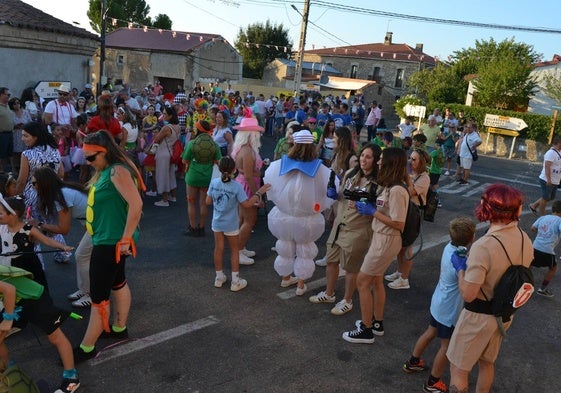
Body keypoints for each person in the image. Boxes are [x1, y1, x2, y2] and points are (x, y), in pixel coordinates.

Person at [446, 183, 533, 393]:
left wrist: (460, 270)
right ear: (518, 210)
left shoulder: (483, 246)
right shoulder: (525, 239)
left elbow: (468, 294)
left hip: (478, 316)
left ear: (486, 208)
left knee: (459, 368)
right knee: (487, 363)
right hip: (503, 316)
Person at [73, 130, 143, 363]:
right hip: (106, 240)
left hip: (110, 244)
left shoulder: (116, 170)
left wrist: (125, 240)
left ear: (105, 152)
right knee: (118, 282)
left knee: (98, 297)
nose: (88, 162)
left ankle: (87, 346)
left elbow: (136, 205)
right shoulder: (107, 170)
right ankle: (119, 327)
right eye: (86, 157)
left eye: (92, 157)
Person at [0, 196, 80, 393]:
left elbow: (46, 241)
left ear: (14, 214)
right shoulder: (1, 228)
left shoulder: (27, 229)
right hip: (12, 285)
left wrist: (62, 247)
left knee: (54, 336)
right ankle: (8, 371)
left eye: (1, 213)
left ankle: (71, 377)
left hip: (29, 285)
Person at [342, 147, 408, 343]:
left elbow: (399, 223)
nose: (378, 163)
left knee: (362, 282)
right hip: (382, 238)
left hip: (386, 240)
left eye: (381, 160)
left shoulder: (396, 190)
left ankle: (366, 329)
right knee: (376, 281)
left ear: (390, 163)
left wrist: (372, 212)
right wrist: (367, 208)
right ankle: (376, 323)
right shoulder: (390, 186)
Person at [402, 217, 476, 393]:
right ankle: (433, 381)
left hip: (438, 303)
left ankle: (413, 361)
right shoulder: (460, 264)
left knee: (430, 332)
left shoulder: (448, 248)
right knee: (446, 346)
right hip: (449, 311)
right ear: (471, 238)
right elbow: (465, 285)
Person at [309, 143, 381, 314]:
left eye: (368, 157)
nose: (363, 160)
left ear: (376, 160)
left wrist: (372, 209)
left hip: (358, 229)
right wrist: (335, 194)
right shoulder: (350, 174)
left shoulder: (378, 183)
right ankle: (329, 293)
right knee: (331, 260)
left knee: (351, 268)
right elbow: (342, 194)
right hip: (339, 225)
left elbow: (381, 208)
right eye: (362, 155)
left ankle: (347, 300)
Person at [264, 129, 334, 295]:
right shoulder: (321, 169)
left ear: (293, 144)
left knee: (285, 246)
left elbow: (268, 184)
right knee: (304, 249)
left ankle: (285, 278)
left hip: (282, 218)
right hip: (307, 220)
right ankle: (301, 284)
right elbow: (331, 190)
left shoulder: (279, 165)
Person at [206, 157, 271, 292]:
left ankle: (219, 277)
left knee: (219, 249)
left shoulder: (214, 182)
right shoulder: (236, 186)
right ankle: (235, 281)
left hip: (217, 222)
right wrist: (259, 193)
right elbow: (246, 204)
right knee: (234, 250)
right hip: (231, 224)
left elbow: (208, 201)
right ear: (234, 170)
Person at [30, 166, 91, 308]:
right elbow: (84, 213)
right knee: (84, 256)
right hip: (94, 223)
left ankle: (91, 294)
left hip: (102, 224)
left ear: (44, 183)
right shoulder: (62, 191)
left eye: (34, 183)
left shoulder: (60, 196)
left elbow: (63, 229)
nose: (32, 187)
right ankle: (84, 290)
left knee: (82, 256)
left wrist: (39, 224)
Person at [385, 149, 431, 290]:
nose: (410, 161)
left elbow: (409, 192)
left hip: (413, 213)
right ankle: (400, 272)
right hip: (405, 211)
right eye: (410, 158)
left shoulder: (424, 178)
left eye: (414, 159)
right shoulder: (411, 174)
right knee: (400, 246)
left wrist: (406, 177)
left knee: (407, 247)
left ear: (421, 162)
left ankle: (404, 279)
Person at [231, 113, 264, 264]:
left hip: (241, 184)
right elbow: (250, 176)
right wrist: (258, 194)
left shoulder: (240, 149)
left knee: (242, 218)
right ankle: (238, 251)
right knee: (250, 220)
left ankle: (239, 248)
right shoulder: (248, 151)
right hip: (247, 187)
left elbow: (243, 171)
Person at [182, 120, 221, 236]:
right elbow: (219, 161)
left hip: (192, 177)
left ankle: (193, 228)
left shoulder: (192, 143)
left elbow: (185, 160)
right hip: (207, 178)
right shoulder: (214, 144)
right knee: (203, 203)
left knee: (191, 202)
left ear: (197, 129)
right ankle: (202, 227)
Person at [530, 199, 561, 297]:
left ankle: (521, 283)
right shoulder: (560, 220)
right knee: (553, 268)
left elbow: (533, 228)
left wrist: (541, 234)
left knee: (528, 264)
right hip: (547, 250)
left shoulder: (544, 217)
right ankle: (542, 289)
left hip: (535, 247)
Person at [153, 106, 179, 207]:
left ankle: (164, 200)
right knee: (170, 175)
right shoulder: (177, 126)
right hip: (171, 152)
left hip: (163, 153)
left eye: (164, 114)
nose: (162, 116)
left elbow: (156, 140)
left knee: (163, 175)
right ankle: (172, 196)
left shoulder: (166, 128)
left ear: (170, 116)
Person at [529, 135, 561, 216]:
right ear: (558, 143)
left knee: (551, 197)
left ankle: (534, 205)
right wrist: (548, 179)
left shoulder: (559, 152)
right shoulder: (551, 153)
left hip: (555, 180)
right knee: (545, 198)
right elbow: (547, 166)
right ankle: (543, 217)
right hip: (547, 180)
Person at [8, 97, 31, 173]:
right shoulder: (11, 113)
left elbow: (30, 122)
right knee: (16, 152)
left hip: (25, 133)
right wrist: (15, 126)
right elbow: (8, 124)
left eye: (18, 102)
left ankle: (24, 167)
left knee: (25, 151)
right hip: (15, 134)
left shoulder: (25, 112)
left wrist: (25, 126)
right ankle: (15, 168)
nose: (17, 105)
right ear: (12, 105)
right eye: (15, 103)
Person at [456, 119, 482, 185]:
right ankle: (462, 178)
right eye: (467, 127)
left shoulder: (474, 135)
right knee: (464, 168)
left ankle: (465, 180)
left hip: (468, 155)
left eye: (469, 127)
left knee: (467, 168)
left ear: (473, 128)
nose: (468, 128)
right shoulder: (467, 134)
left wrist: (474, 146)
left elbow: (479, 141)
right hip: (462, 154)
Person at [0, 87, 14, 173]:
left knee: (9, 154)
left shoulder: (7, 106)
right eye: (8, 94)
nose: (9, 96)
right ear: (1, 95)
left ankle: (5, 172)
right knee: (1, 155)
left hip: (9, 133)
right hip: (1, 134)